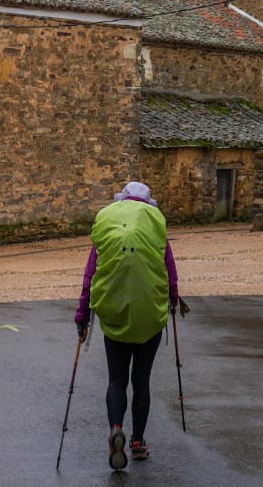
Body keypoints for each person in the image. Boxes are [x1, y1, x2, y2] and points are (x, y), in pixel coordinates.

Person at [74, 181, 179, 470]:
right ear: (148, 203)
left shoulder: (108, 225)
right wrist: (173, 301)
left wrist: (82, 315)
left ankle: (116, 429)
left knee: (116, 380)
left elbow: (90, 276)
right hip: (149, 315)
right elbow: (169, 271)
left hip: (115, 312)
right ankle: (137, 442)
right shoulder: (154, 225)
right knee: (141, 381)